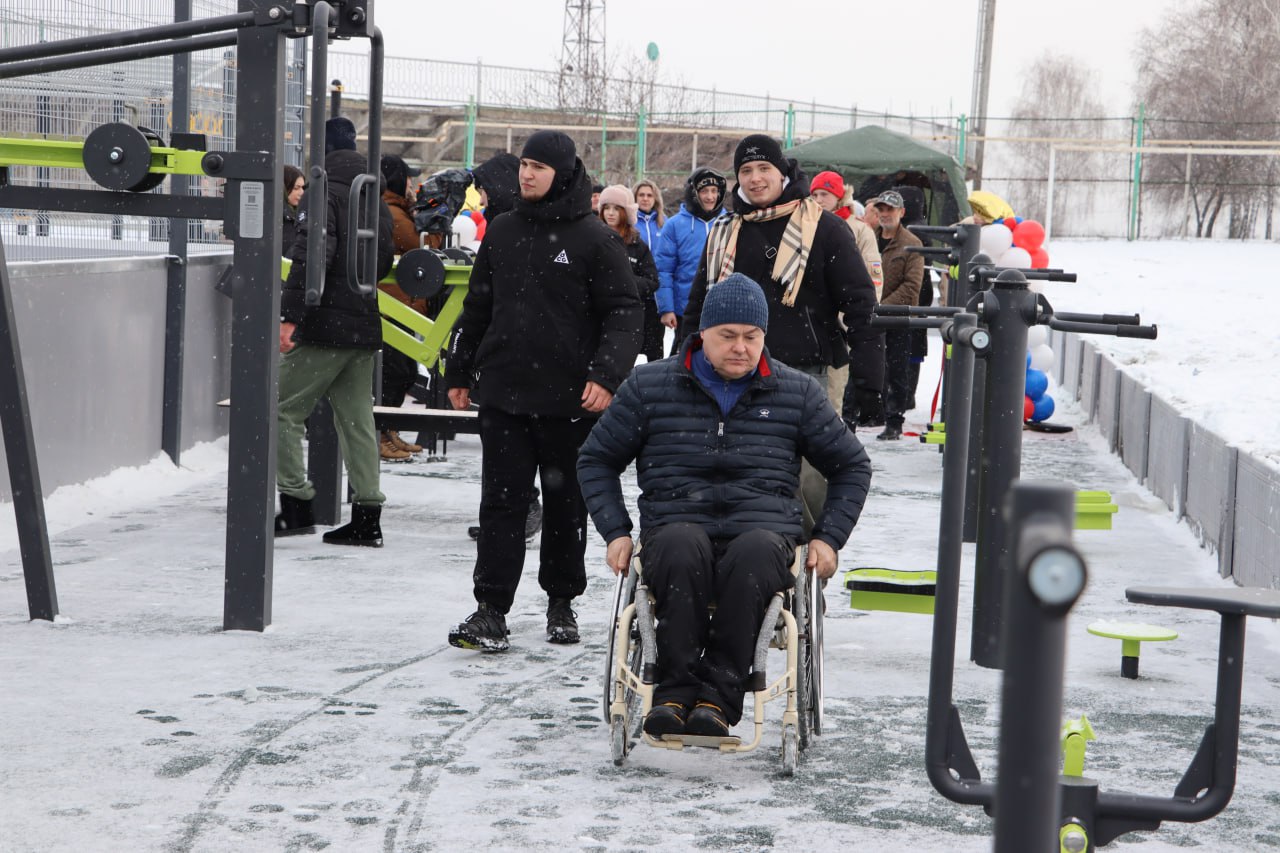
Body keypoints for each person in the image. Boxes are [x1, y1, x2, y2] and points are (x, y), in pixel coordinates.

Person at [577, 273, 872, 737]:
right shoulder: (649, 386)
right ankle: (673, 692)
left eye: (752, 337)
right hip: (675, 522)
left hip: (763, 531)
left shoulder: (797, 393)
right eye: (728, 336)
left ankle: (717, 697)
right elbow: (596, 458)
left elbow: (851, 465)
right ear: (703, 335)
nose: (740, 347)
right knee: (679, 547)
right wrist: (615, 531)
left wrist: (829, 538)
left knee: (754, 555)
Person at [445, 130, 643, 652]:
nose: (527, 174)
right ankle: (491, 610)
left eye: (539, 167)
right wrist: (458, 370)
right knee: (501, 505)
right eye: (524, 165)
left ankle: (562, 602)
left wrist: (605, 375)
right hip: (504, 397)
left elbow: (624, 313)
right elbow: (477, 306)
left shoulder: (594, 238)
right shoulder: (503, 229)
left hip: (570, 403)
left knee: (565, 507)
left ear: (563, 174)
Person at [681, 134, 875, 533]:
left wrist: (870, 380)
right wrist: (680, 362)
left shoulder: (824, 228)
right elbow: (700, 306)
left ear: (782, 172)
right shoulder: (725, 231)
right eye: (746, 171)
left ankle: (807, 556)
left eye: (764, 168)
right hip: (733, 373)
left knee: (808, 481)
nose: (755, 178)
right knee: (740, 477)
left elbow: (860, 305)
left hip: (806, 371)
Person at [274, 116, 395, 547]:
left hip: (325, 323)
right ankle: (367, 516)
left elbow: (312, 253)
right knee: (357, 421)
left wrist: (291, 315)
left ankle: (296, 504)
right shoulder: (373, 194)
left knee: (280, 410)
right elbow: (384, 259)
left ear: (321, 150)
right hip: (363, 320)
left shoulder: (321, 188)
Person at [809, 171, 885, 430]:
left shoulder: (860, 230)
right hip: (811, 322)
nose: (819, 200)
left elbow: (873, 280)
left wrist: (855, 318)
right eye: (814, 194)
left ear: (839, 196)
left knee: (834, 393)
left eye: (825, 194)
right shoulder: (804, 226)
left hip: (842, 323)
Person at [377, 152, 427, 462]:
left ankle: (389, 428)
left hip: (401, 306)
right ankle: (381, 432)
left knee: (404, 372)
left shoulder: (400, 209)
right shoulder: (393, 213)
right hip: (392, 307)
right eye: (408, 178)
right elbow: (422, 246)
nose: (412, 184)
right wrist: (434, 223)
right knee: (393, 372)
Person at [653, 167, 726, 357]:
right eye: (704, 191)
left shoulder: (729, 222)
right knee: (685, 358)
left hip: (722, 306)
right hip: (685, 310)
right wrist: (666, 308)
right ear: (694, 194)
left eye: (714, 191)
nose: (710, 197)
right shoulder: (674, 225)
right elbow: (663, 270)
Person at [870, 189, 924, 441]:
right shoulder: (868, 238)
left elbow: (912, 288)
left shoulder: (912, 243)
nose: (884, 214)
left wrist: (880, 306)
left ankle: (894, 421)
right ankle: (859, 416)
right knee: (864, 367)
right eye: (881, 209)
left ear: (901, 212)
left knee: (897, 371)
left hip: (897, 319)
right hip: (870, 316)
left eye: (890, 209)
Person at [599, 184, 662, 362]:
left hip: (627, 316)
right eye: (606, 208)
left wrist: (624, 282)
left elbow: (652, 281)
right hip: (597, 315)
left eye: (616, 208)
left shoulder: (637, 245)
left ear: (626, 212)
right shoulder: (592, 239)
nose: (610, 213)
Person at [633, 178, 665, 249]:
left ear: (655, 199)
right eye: (641, 195)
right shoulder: (628, 221)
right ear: (635, 197)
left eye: (649, 195)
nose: (645, 199)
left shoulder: (664, 222)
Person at [281, 164, 304, 253]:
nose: (302, 192)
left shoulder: (298, 213)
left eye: (302, 188)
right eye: (296, 188)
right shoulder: (282, 217)